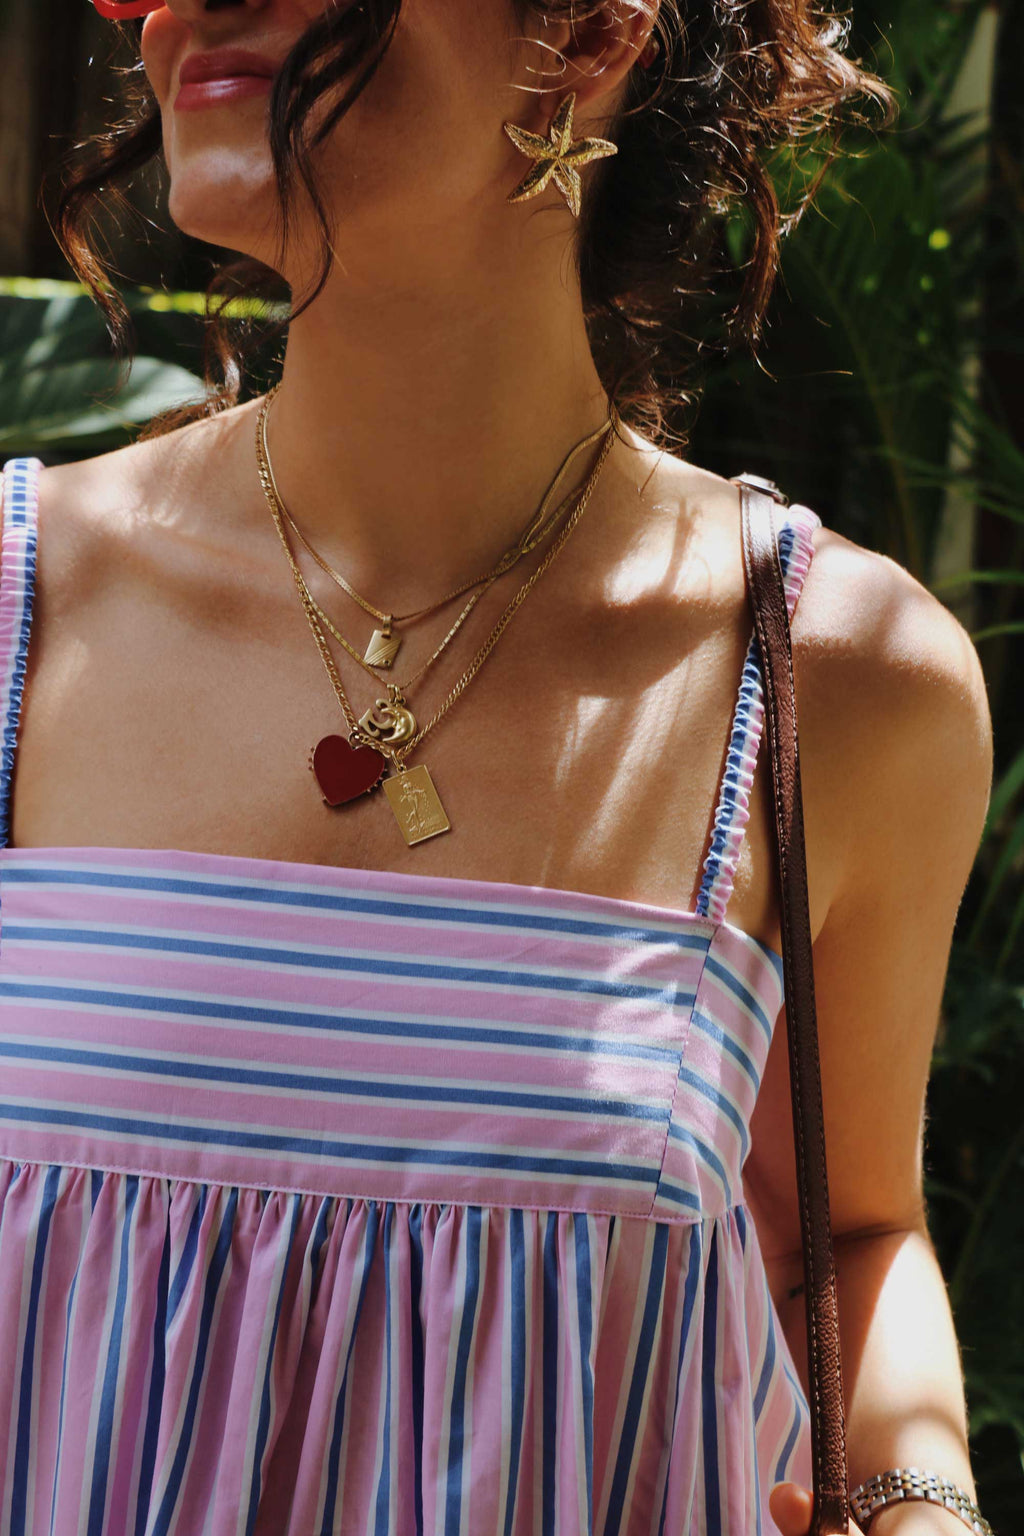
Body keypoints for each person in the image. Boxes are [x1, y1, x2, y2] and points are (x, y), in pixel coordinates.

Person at [0, 2, 995, 1534]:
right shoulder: (18, 606)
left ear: (592, 32)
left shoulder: (835, 679)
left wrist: (925, 1506)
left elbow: (852, 1232)